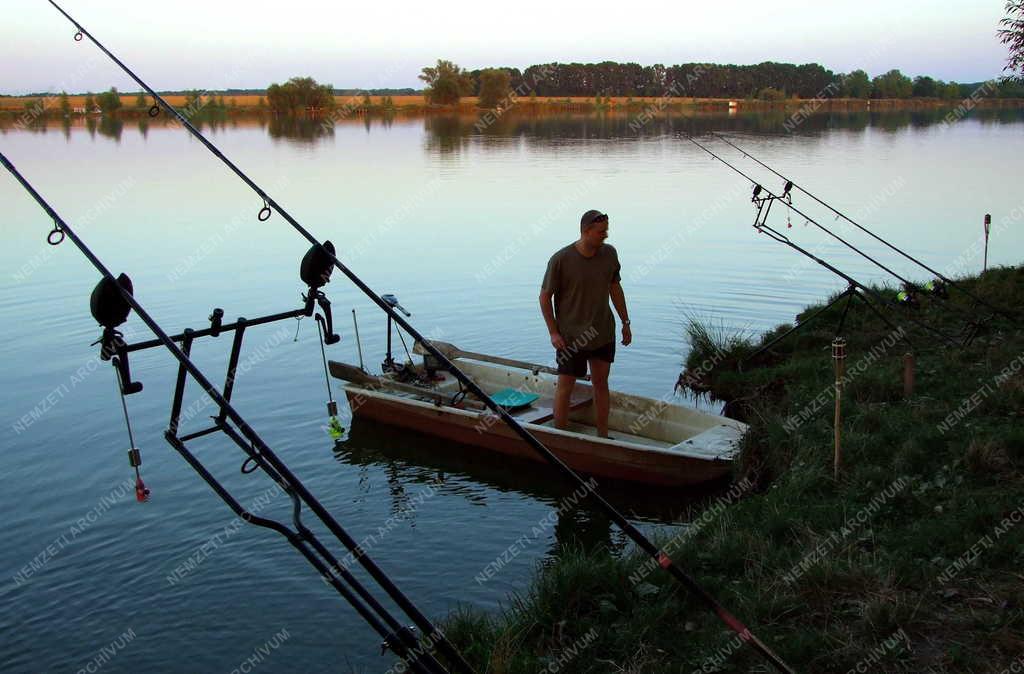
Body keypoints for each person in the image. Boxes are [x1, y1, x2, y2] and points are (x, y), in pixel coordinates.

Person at [539, 209, 631, 438]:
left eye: (607, 230)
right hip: (570, 336)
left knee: (601, 384)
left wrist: (625, 322)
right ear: (586, 231)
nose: (606, 235)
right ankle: (561, 436)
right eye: (601, 231)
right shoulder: (561, 259)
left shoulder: (609, 254)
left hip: (603, 333)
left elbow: (615, 288)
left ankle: (602, 435)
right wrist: (553, 333)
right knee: (565, 388)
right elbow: (544, 297)